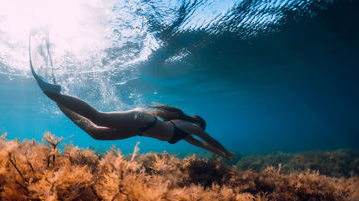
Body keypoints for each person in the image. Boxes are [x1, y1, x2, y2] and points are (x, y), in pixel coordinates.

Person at [29, 52, 233, 159]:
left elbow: (203, 145)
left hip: (139, 130)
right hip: (142, 120)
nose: (199, 132)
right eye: (200, 128)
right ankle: (55, 92)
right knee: (99, 118)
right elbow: (210, 139)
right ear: (198, 123)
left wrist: (220, 154)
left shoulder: (186, 134)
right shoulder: (192, 127)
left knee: (96, 133)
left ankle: (62, 104)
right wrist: (226, 150)